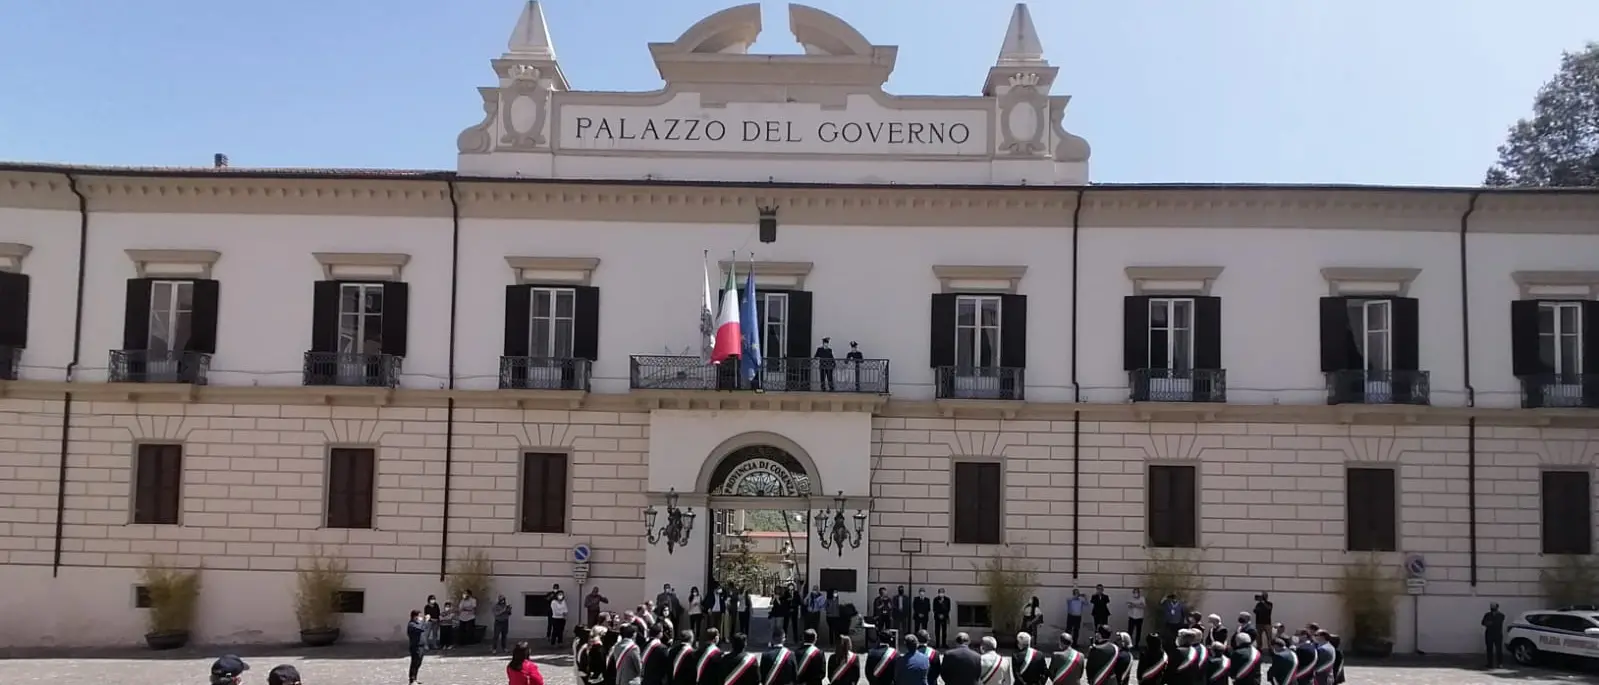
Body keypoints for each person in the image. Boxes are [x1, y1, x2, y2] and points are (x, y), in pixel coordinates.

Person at [1481, 602, 1505, 669]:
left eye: (1494, 607)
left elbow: (1497, 623)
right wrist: (1489, 623)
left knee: (1499, 649)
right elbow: (1483, 622)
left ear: (1497, 607)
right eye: (1491, 607)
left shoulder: (1501, 615)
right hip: (1489, 634)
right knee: (1489, 649)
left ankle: (1500, 663)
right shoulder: (1487, 614)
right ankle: (1490, 663)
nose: (1492, 608)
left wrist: (1489, 623)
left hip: (1498, 634)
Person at [406, 609, 427, 685]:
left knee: (418, 663)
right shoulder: (411, 624)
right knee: (414, 663)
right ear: (414, 616)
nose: (420, 617)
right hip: (415, 647)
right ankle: (412, 680)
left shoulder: (418, 623)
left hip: (421, 646)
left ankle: (415, 678)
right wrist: (425, 621)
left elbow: (422, 628)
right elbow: (421, 628)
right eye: (419, 616)